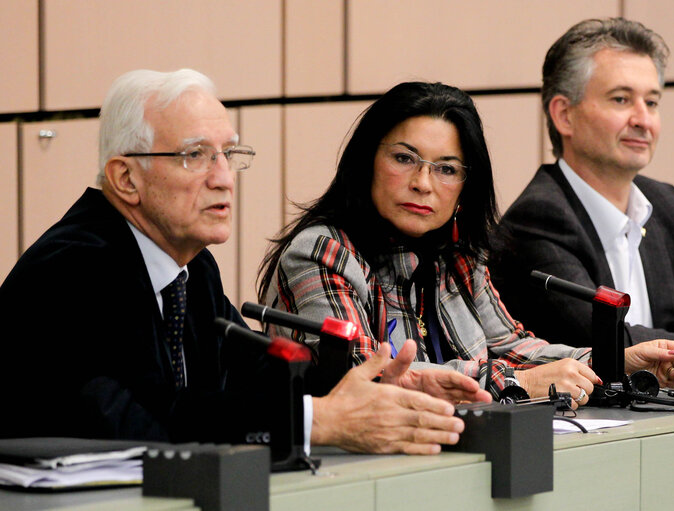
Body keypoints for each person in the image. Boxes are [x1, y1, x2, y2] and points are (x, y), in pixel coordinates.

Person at [0, 69, 490, 455]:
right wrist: (318, 421)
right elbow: (136, 417)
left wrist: (368, 385)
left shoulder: (190, 265)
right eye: (196, 156)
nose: (224, 179)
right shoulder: (79, 266)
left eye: (228, 155)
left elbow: (255, 371)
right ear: (126, 178)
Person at [258, 81, 674, 406]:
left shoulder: (458, 257)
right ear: (366, 162)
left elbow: (512, 345)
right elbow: (363, 378)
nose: (423, 183)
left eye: (447, 169)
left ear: (467, 186)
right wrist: (520, 384)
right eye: (404, 159)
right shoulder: (322, 253)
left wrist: (615, 360)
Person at [489, 18, 674, 361]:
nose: (643, 120)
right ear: (564, 115)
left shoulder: (665, 207)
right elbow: (614, 342)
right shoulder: (538, 218)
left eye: (651, 103)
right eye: (622, 99)